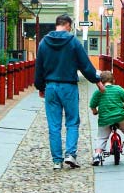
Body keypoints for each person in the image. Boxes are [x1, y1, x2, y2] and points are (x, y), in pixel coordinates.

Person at [35, 14, 104, 170]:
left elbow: (39, 67)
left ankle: (57, 161)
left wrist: (40, 87)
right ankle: (70, 155)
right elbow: (85, 64)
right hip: (69, 86)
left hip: (51, 87)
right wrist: (97, 80)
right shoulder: (73, 42)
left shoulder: (43, 43)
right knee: (72, 121)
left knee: (54, 125)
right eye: (70, 27)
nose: (70, 29)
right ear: (66, 24)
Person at [89, 71, 124, 166]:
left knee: (102, 137)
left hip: (105, 120)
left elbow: (92, 105)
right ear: (113, 80)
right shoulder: (118, 89)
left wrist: (95, 111)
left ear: (100, 81)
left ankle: (97, 154)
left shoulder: (98, 92)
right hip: (120, 117)